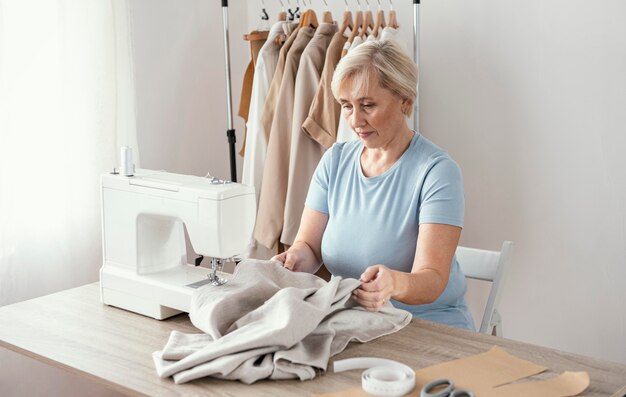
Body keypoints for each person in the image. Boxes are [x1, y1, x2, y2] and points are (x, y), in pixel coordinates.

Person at [272, 39, 474, 330]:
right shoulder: (335, 161)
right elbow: (309, 248)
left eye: (367, 105)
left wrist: (394, 284)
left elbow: (432, 280)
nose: (356, 120)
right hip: (355, 323)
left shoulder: (437, 172)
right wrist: (293, 259)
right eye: (346, 106)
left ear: (404, 99)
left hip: (428, 327)